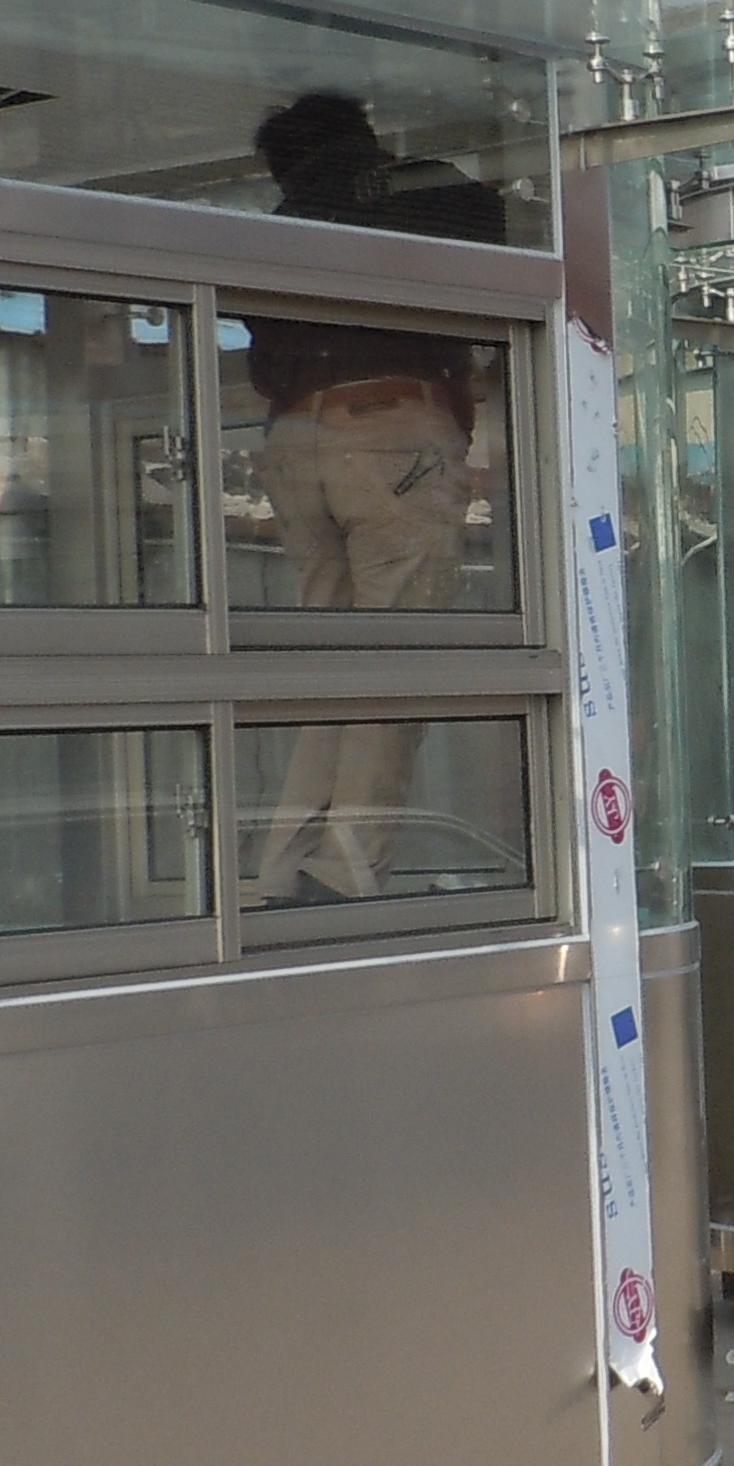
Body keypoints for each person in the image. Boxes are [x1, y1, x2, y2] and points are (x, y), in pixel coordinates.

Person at [239, 92, 501, 903]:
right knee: (397, 659)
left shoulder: (278, 229)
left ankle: (284, 867)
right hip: (388, 432)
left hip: (293, 442)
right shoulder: (406, 189)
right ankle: (349, 876)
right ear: (366, 139)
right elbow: (503, 229)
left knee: (334, 667)